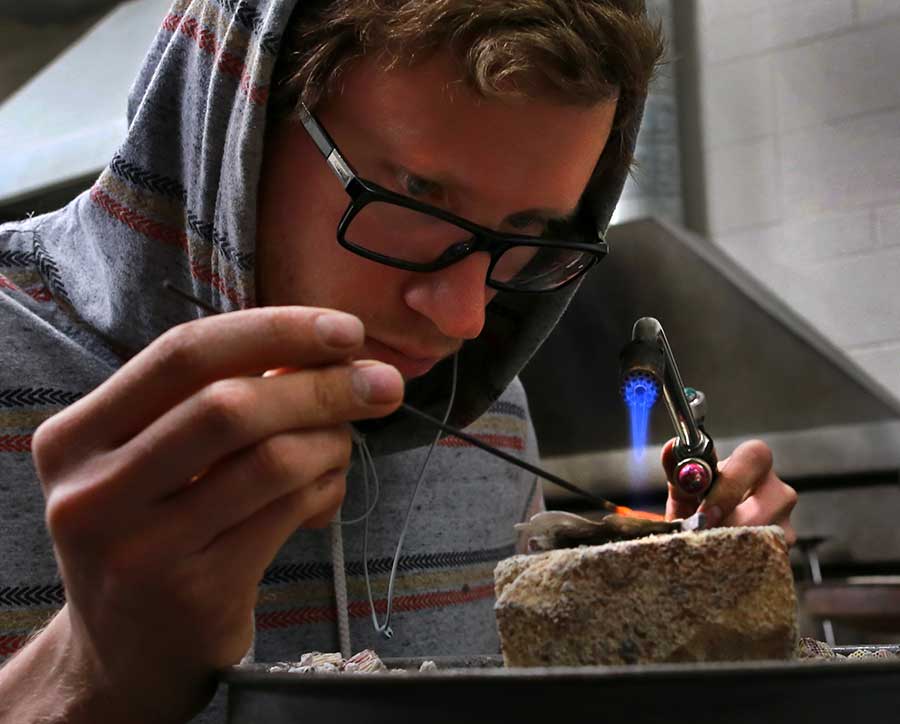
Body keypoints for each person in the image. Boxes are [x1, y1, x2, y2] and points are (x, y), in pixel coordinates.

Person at [0, 1, 797, 721]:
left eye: (526, 233)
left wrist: (662, 616)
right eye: (415, 199)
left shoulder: (489, 409)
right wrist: (86, 673)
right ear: (238, 117)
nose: (463, 316)